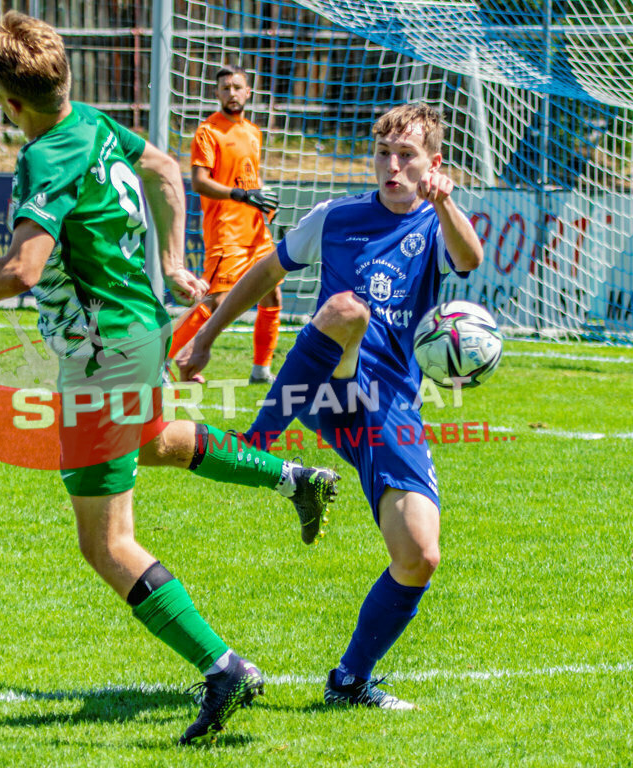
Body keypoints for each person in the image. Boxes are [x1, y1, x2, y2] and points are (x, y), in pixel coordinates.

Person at [0, 11, 338, 745]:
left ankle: (223, 668)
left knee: (106, 543)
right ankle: (294, 480)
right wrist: (174, 262)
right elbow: (167, 168)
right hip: (141, 331)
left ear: (8, 104)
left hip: (100, 354)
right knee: (155, 441)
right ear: (66, 78)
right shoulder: (95, 124)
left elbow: (22, 267)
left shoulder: (45, 154)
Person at [182, 102, 484, 709]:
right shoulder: (336, 217)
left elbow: (469, 259)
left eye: (407, 157)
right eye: (384, 154)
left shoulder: (434, 221)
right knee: (348, 308)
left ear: (433, 165)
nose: (392, 167)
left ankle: (349, 682)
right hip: (330, 381)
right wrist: (206, 335)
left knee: (420, 555)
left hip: (390, 402)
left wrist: (447, 202)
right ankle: (258, 443)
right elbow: (265, 273)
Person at [167, 65, 282, 385]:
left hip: (255, 231)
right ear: (216, 94)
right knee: (216, 299)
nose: (232, 93)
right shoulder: (208, 132)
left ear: (249, 92)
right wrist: (242, 195)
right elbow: (200, 183)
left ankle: (261, 371)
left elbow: (250, 179)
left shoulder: (253, 132)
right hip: (226, 231)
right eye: (225, 88)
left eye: (237, 87)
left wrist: (263, 206)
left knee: (271, 295)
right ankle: (164, 358)